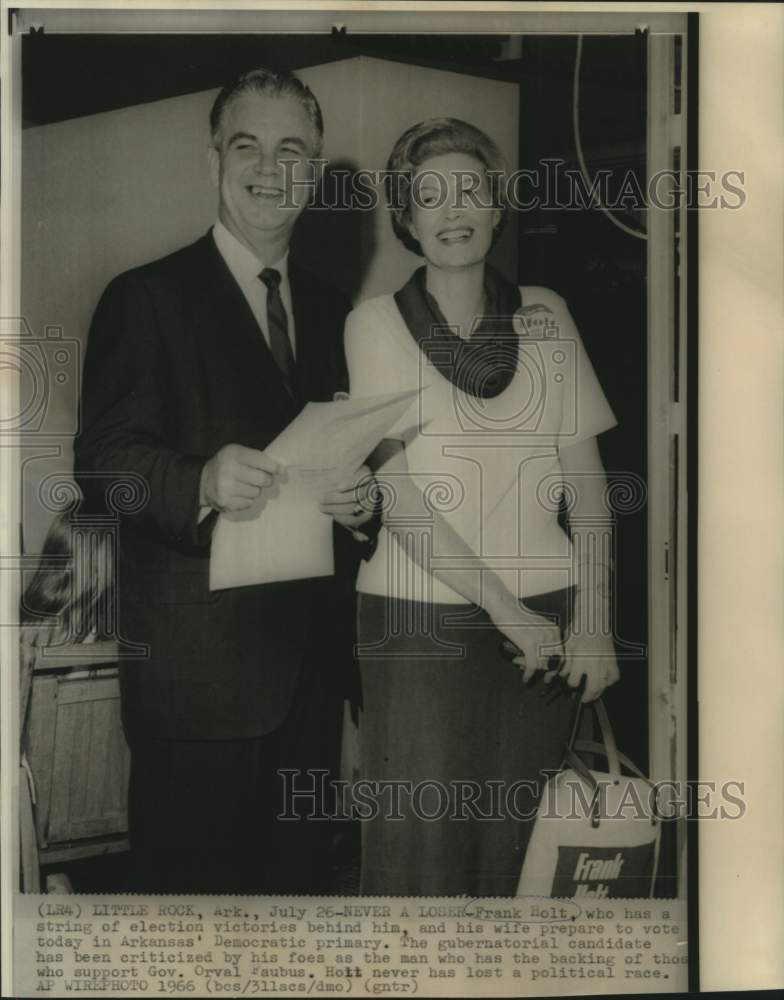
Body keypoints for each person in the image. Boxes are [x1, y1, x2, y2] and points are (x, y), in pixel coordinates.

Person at [73, 68, 372, 894]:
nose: (271, 169)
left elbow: (348, 463)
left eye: (292, 151)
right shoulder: (145, 297)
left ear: (314, 172)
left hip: (308, 681)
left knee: (294, 917)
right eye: (249, 147)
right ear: (214, 163)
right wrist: (199, 479)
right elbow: (102, 464)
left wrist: (360, 504)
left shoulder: (335, 311)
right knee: (189, 925)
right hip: (194, 689)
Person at [344, 118, 620, 896]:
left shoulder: (545, 314)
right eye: (429, 196)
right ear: (407, 219)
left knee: (523, 857)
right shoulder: (374, 324)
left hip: (549, 613)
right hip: (418, 618)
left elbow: (588, 485)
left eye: (470, 190)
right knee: (419, 859)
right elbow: (399, 497)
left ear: (498, 206)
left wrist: (594, 622)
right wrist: (505, 610)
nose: (453, 209)